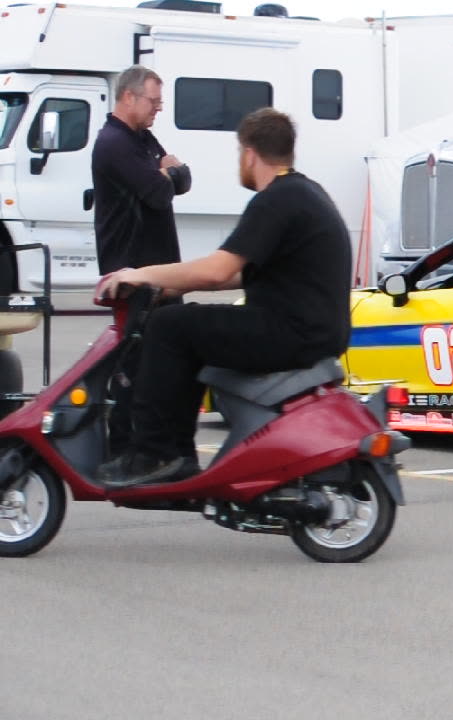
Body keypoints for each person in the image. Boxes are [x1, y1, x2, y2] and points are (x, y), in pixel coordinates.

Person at [95, 108, 352, 489]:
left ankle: (156, 453)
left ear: (249, 153)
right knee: (190, 324)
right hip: (313, 329)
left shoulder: (276, 200)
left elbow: (217, 267)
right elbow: (237, 273)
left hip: (289, 331)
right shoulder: (305, 192)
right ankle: (174, 453)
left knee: (170, 327)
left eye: (239, 155)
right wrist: (173, 287)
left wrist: (140, 273)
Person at [91, 65, 192, 456]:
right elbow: (158, 192)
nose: (158, 110)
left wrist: (171, 172)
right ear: (129, 97)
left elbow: (180, 179)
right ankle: (122, 450)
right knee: (134, 363)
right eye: (154, 101)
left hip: (160, 272)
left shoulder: (142, 139)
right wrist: (167, 173)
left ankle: (155, 444)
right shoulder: (114, 143)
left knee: (162, 359)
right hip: (132, 273)